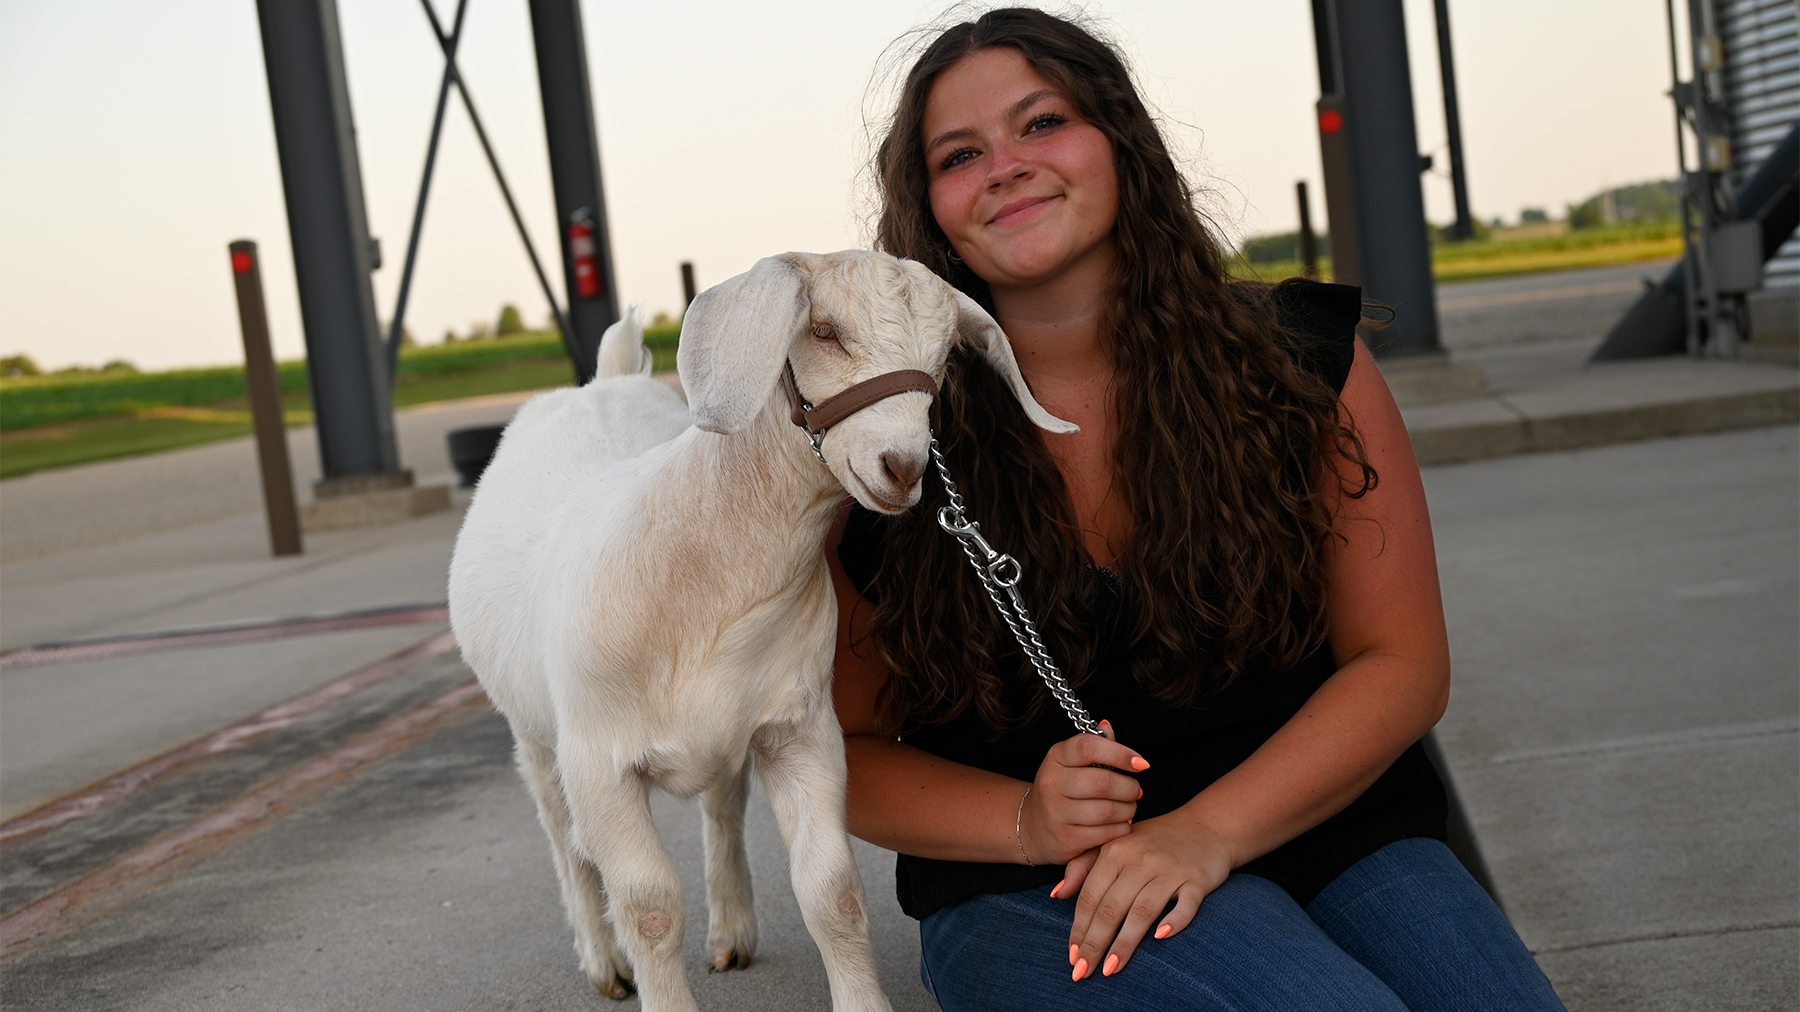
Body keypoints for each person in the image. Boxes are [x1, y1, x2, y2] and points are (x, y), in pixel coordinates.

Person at [826, 9, 1568, 1012]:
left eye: (1042, 124)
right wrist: (1028, 821)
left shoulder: (1299, 362)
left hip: (1323, 826)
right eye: (960, 153)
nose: (1005, 164)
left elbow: (1401, 664)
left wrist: (1206, 831)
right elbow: (844, 752)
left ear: (1120, 142)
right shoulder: (888, 446)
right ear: (929, 207)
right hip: (1034, 882)